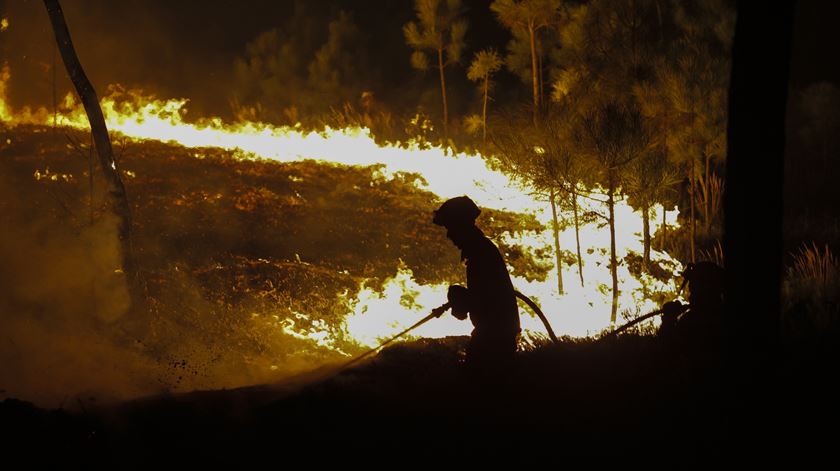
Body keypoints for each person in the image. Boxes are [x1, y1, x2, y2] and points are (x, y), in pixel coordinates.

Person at [432, 196, 520, 374]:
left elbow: (485, 299)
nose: (449, 235)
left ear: (461, 225)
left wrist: (459, 298)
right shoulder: (479, 250)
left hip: (494, 337)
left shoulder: (481, 253)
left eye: (450, 227)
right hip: (496, 334)